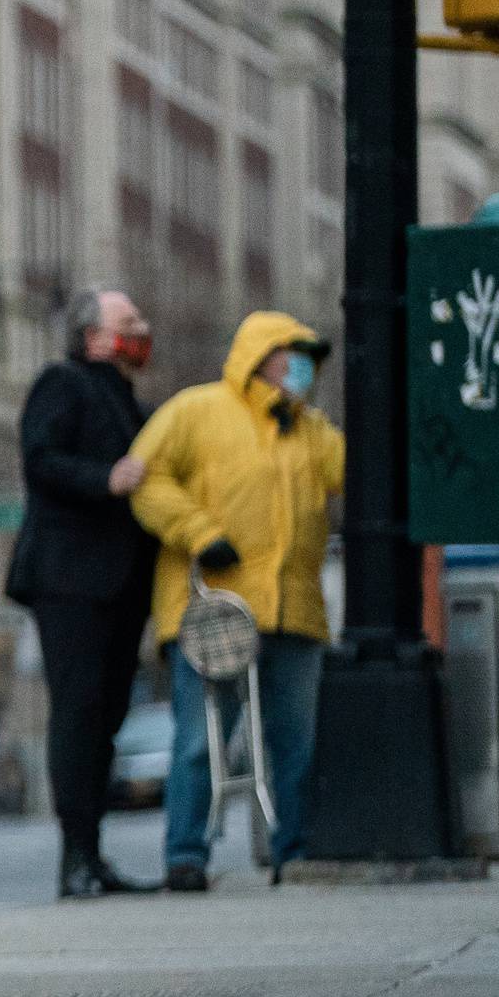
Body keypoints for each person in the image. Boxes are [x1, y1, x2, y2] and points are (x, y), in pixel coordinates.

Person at [128, 311, 344, 893]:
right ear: (259, 358)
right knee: (200, 741)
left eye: (308, 359)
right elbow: (144, 479)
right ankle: (186, 854)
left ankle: (292, 852)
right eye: (290, 355)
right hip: (210, 615)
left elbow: (357, 476)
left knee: (295, 745)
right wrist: (200, 533)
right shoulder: (196, 412)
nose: (301, 369)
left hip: (292, 612)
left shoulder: (312, 431)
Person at [6, 288, 161, 899]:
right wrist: (107, 478)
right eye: (129, 321)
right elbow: (40, 461)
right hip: (70, 580)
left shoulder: (133, 404)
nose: (141, 330)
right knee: (78, 713)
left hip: (124, 586)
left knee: (108, 718)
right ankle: (75, 859)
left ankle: (93, 857)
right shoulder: (62, 384)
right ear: (92, 336)